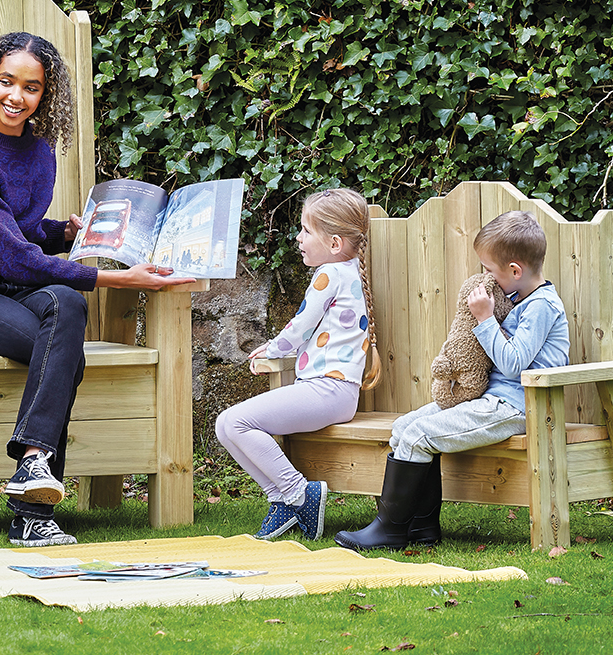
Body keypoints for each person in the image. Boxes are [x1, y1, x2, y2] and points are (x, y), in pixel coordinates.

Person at [0, 31, 194, 547]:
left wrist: (63, 234)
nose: (16, 97)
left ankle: (32, 465)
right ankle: (33, 514)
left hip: (14, 286)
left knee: (66, 308)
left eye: (31, 87)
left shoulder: (40, 150)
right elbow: (12, 256)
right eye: (7, 82)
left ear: (45, 95)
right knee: (64, 349)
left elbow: (18, 230)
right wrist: (120, 278)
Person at [334, 210, 570, 551]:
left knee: (418, 436)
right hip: (492, 400)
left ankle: (389, 530)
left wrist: (485, 319)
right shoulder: (517, 299)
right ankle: (421, 527)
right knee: (404, 428)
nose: (484, 277)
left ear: (515, 271)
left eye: (489, 270)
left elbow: (513, 364)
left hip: (519, 407)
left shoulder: (542, 306)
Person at [215, 188, 382, 540]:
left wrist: (272, 350)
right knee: (226, 426)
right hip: (330, 392)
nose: (298, 238)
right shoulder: (348, 271)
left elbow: (302, 325)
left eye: (306, 231)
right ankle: (284, 500)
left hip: (327, 390)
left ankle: (297, 493)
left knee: (235, 422)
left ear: (334, 243)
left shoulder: (330, 274)